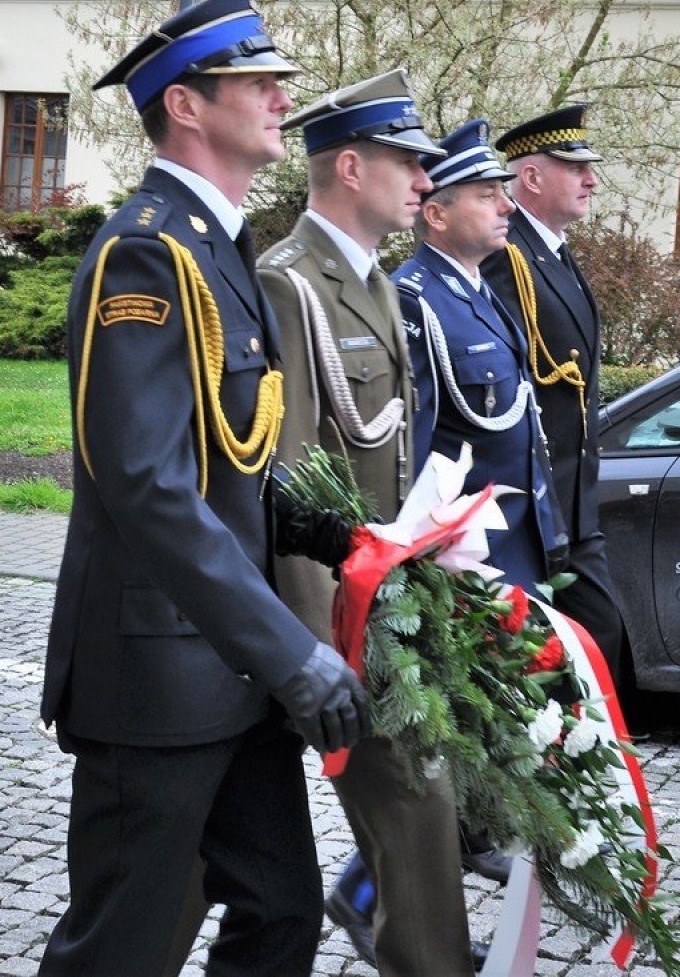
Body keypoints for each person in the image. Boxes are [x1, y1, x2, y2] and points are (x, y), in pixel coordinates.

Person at [38, 0, 369, 977]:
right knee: (120, 947)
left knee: (279, 913)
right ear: (186, 104)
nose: (279, 98)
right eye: (254, 81)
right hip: (154, 672)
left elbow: (228, 463)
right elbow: (144, 486)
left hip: (227, 670)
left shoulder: (218, 249)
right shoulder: (146, 253)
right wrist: (291, 654)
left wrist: (343, 536)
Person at [259, 69, 482, 975]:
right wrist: (321, 650)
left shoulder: (378, 286)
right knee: (409, 817)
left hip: (385, 592)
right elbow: (295, 479)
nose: (424, 181)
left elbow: (386, 462)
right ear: (350, 167)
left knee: (422, 814)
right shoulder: (289, 285)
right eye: (405, 162)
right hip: (328, 615)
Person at [484, 104, 626, 689]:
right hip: (537, 508)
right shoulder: (507, 256)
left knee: (599, 643)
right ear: (532, 177)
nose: (591, 179)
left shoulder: (552, 251)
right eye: (575, 167)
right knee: (559, 659)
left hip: (573, 507)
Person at [395, 119, 564, 598]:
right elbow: (418, 446)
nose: (507, 205)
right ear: (437, 215)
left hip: (516, 546)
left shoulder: (479, 290)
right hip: (464, 563)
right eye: (487, 194)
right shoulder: (415, 299)